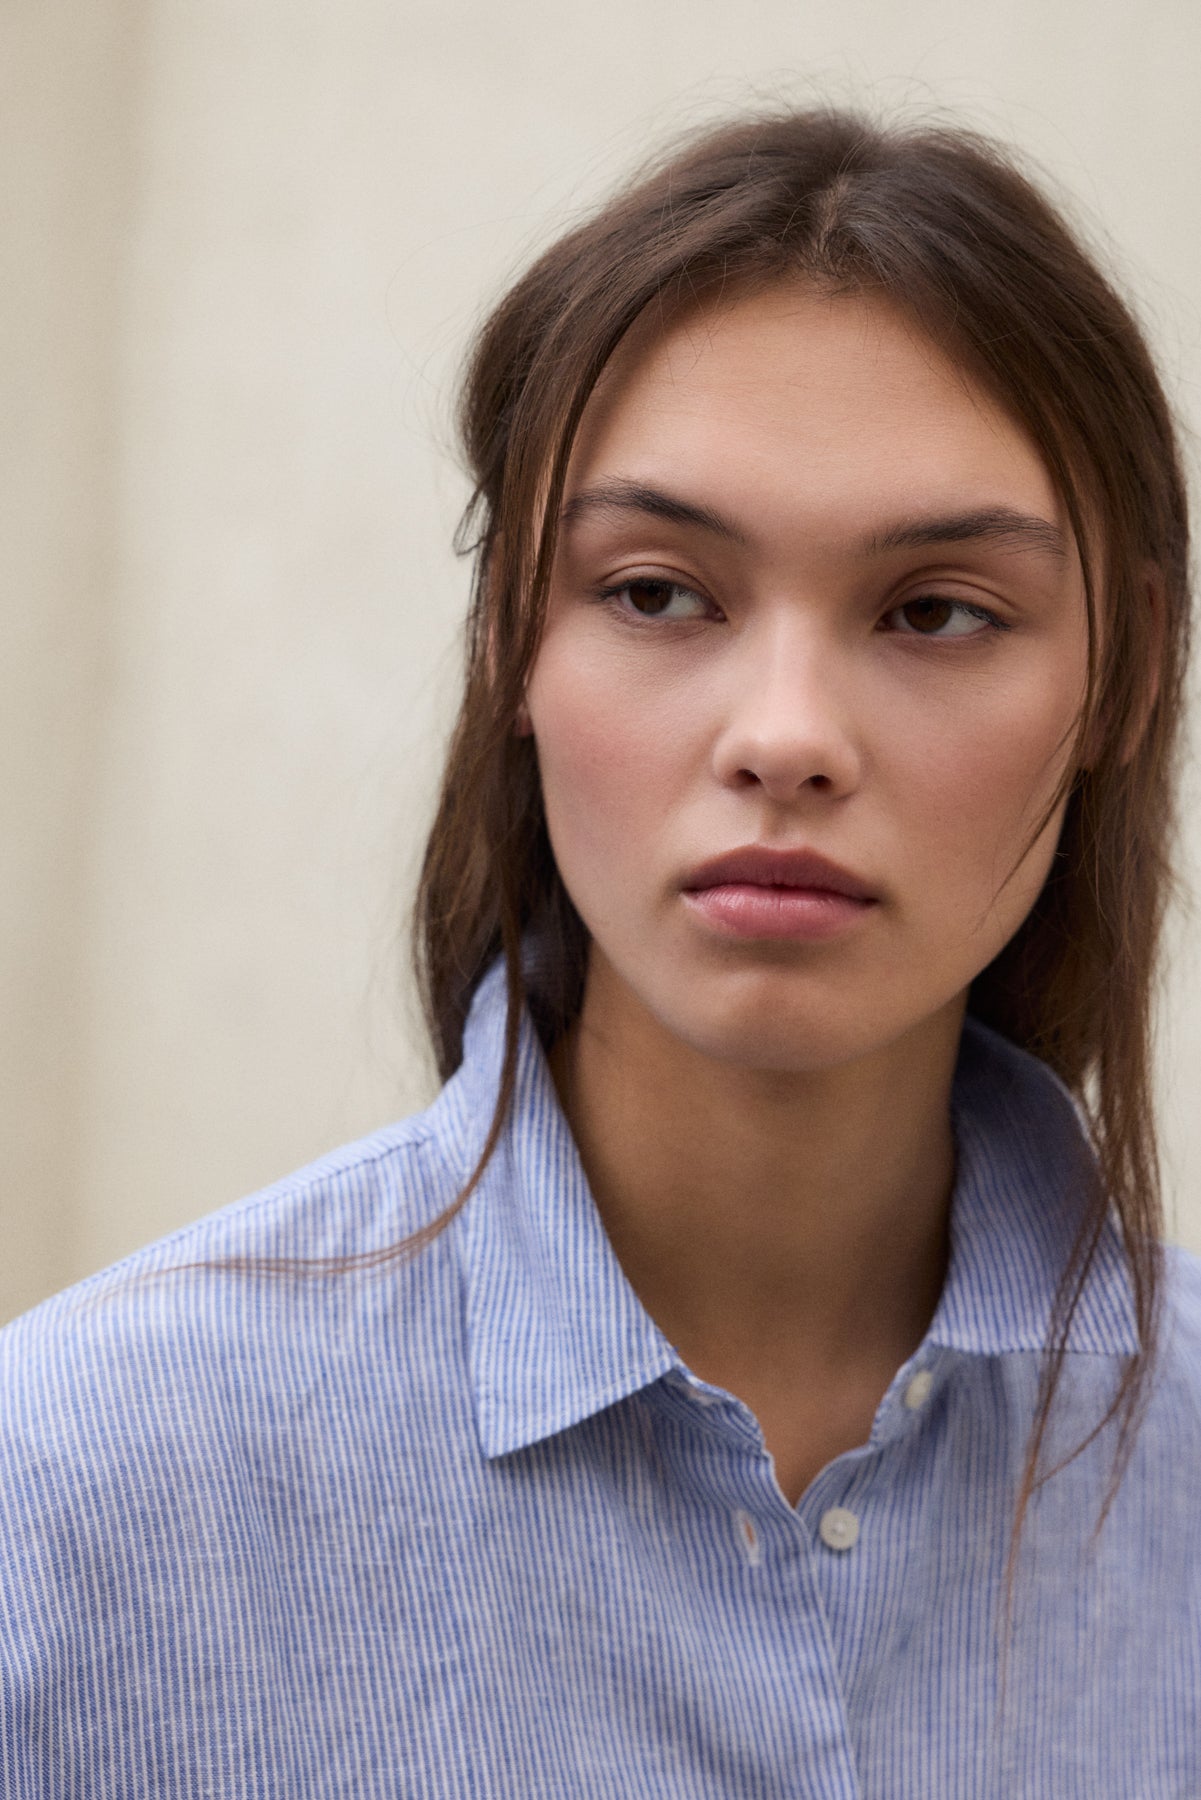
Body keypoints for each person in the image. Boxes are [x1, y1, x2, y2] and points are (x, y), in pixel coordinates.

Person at [1, 103, 1198, 1798]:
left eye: (935, 610)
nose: (785, 738)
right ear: (509, 636)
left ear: (1126, 673)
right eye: (656, 592)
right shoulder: (77, 1490)